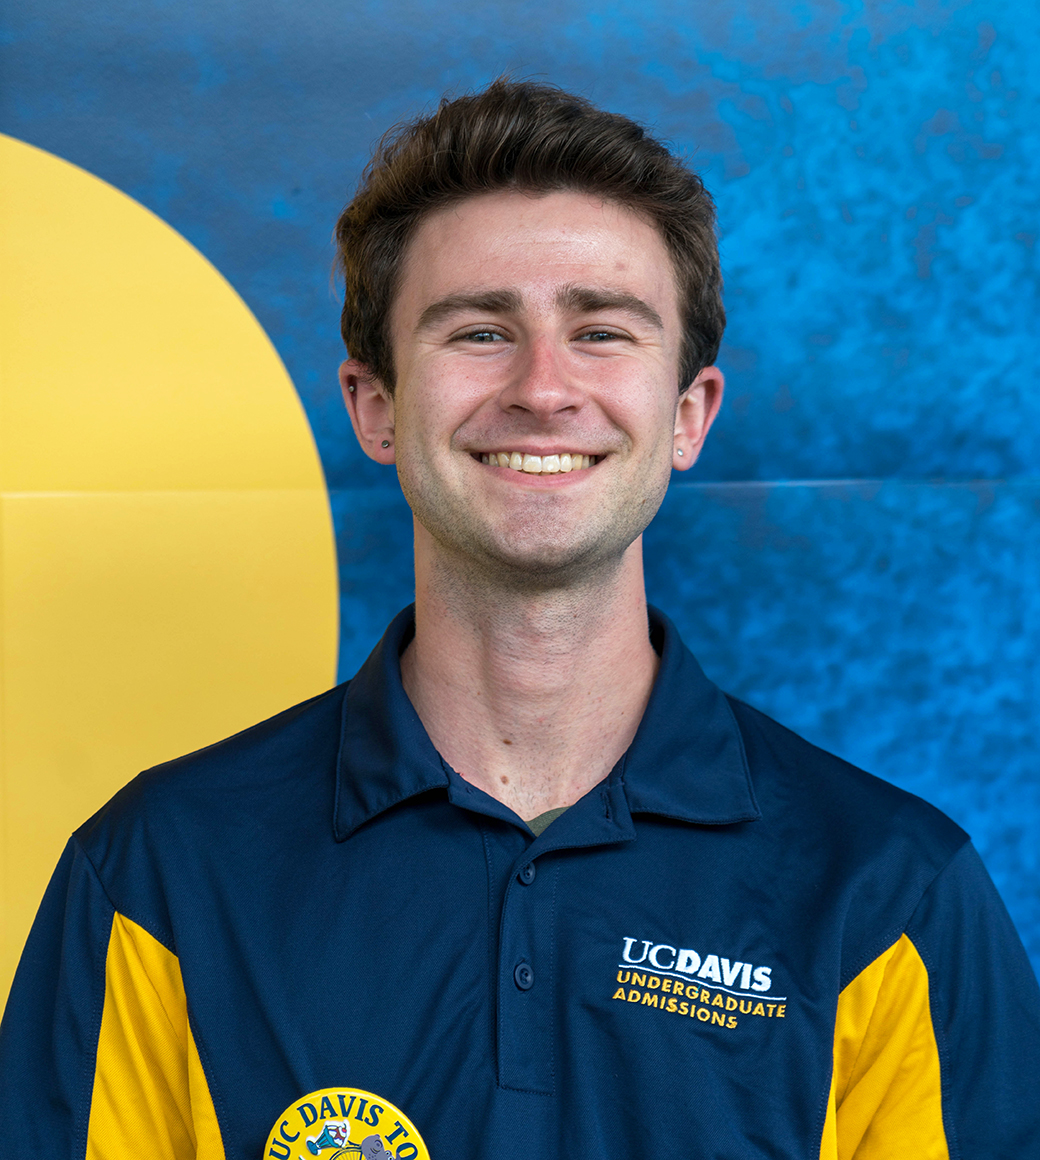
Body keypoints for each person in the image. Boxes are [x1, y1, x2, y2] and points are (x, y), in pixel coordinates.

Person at [1, 79, 1038, 1160]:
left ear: (687, 414)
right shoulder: (159, 876)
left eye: (600, 330)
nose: (544, 388)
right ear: (376, 407)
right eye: (481, 330)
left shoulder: (885, 891)